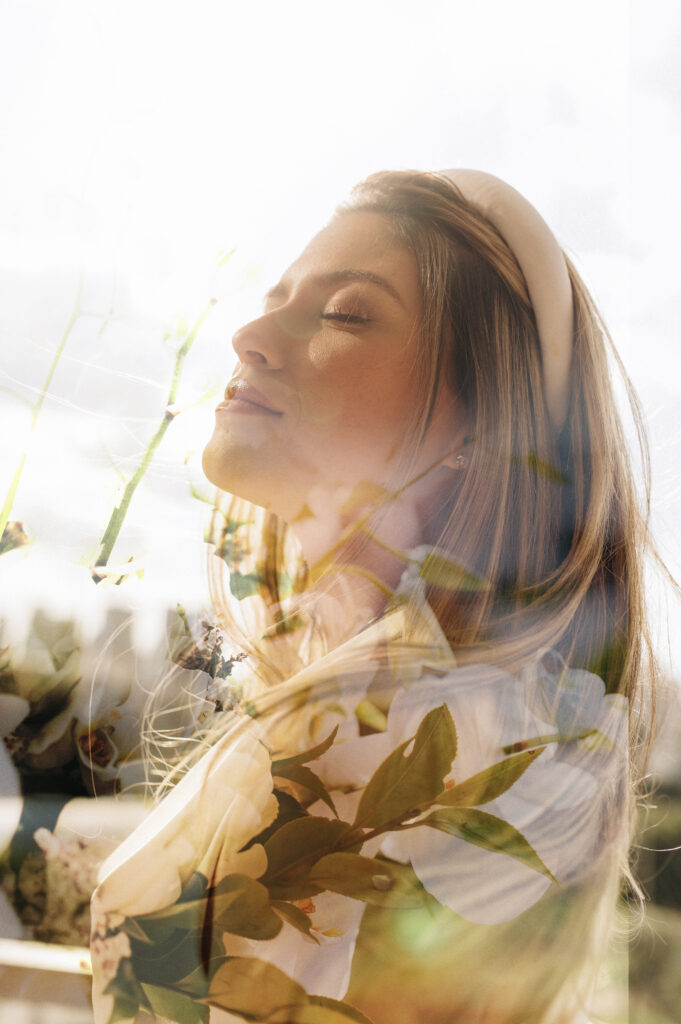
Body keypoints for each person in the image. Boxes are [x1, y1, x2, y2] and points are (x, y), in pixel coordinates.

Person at [89, 170, 654, 1024]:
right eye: (275, 297)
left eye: (345, 312)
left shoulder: (395, 729)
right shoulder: (477, 704)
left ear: (483, 423)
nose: (248, 333)